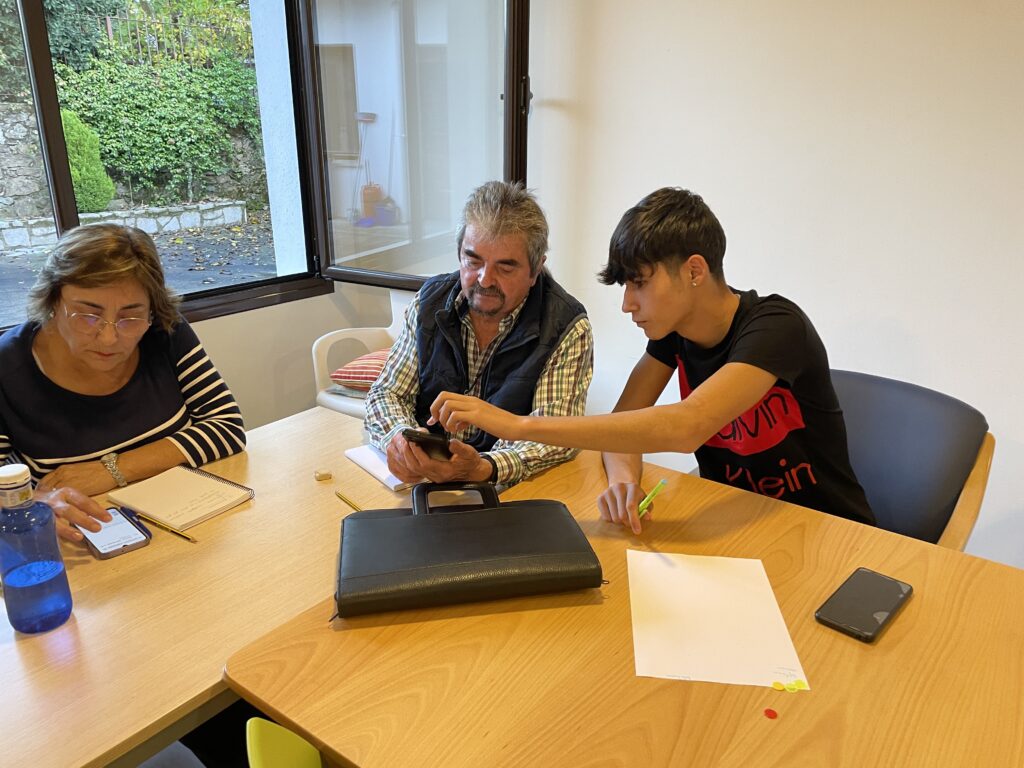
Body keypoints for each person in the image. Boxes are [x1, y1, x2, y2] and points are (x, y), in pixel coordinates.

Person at [429, 187, 874, 531]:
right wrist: (625, 480)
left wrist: (516, 425)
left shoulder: (777, 326)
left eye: (638, 283)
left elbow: (687, 425)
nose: (627, 304)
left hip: (830, 528)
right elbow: (624, 423)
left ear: (694, 271)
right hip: (740, 520)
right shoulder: (674, 336)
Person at [0, 223, 246, 542]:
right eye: (87, 315)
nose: (109, 338)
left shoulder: (163, 330)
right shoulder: (8, 368)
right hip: (80, 543)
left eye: (130, 317)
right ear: (53, 302)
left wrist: (110, 470)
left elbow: (226, 427)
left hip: (191, 523)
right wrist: (29, 505)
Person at [364, 180, 594, 487]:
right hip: (421, 484)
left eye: (505, 268)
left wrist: (484, 467)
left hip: (508, 490)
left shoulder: (565, 325)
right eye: (473, 261)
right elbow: (387, 393)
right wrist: (400, 442)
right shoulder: (430, 302)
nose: (485, 279)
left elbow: (556, 434)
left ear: (536, 269)